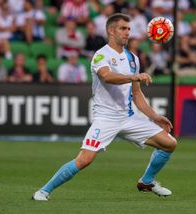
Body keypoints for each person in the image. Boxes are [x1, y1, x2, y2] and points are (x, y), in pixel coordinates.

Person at [32, 13, 177, 201]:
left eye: (129, 29)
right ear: (111, 30)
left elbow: (137, 94)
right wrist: (134, 77)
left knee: (169, 144)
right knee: (85, 159)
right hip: (106, 118)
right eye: (123, 28)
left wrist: (155, 117)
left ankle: (146, 182)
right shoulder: (101, 55)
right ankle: (44, 191)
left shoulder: (133, 58)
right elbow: (107, 77)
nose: (127, 33)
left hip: (128, 117)